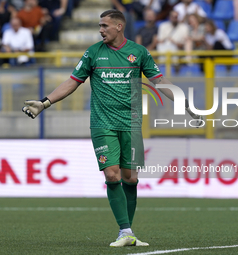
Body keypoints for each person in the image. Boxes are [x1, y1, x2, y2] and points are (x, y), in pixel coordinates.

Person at [22, 9, 202, 247]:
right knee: (112, 174)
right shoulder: (93, 53)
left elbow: (160, 81)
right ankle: (125, 230)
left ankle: (129, 232)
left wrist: (184, 103)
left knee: (130, 178)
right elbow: (72, 82)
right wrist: (45, 103)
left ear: (119, 27)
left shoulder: (138, 53)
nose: (100, 30)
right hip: (102, 124)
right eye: (99, 26)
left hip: (131, 124)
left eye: (105, 26)